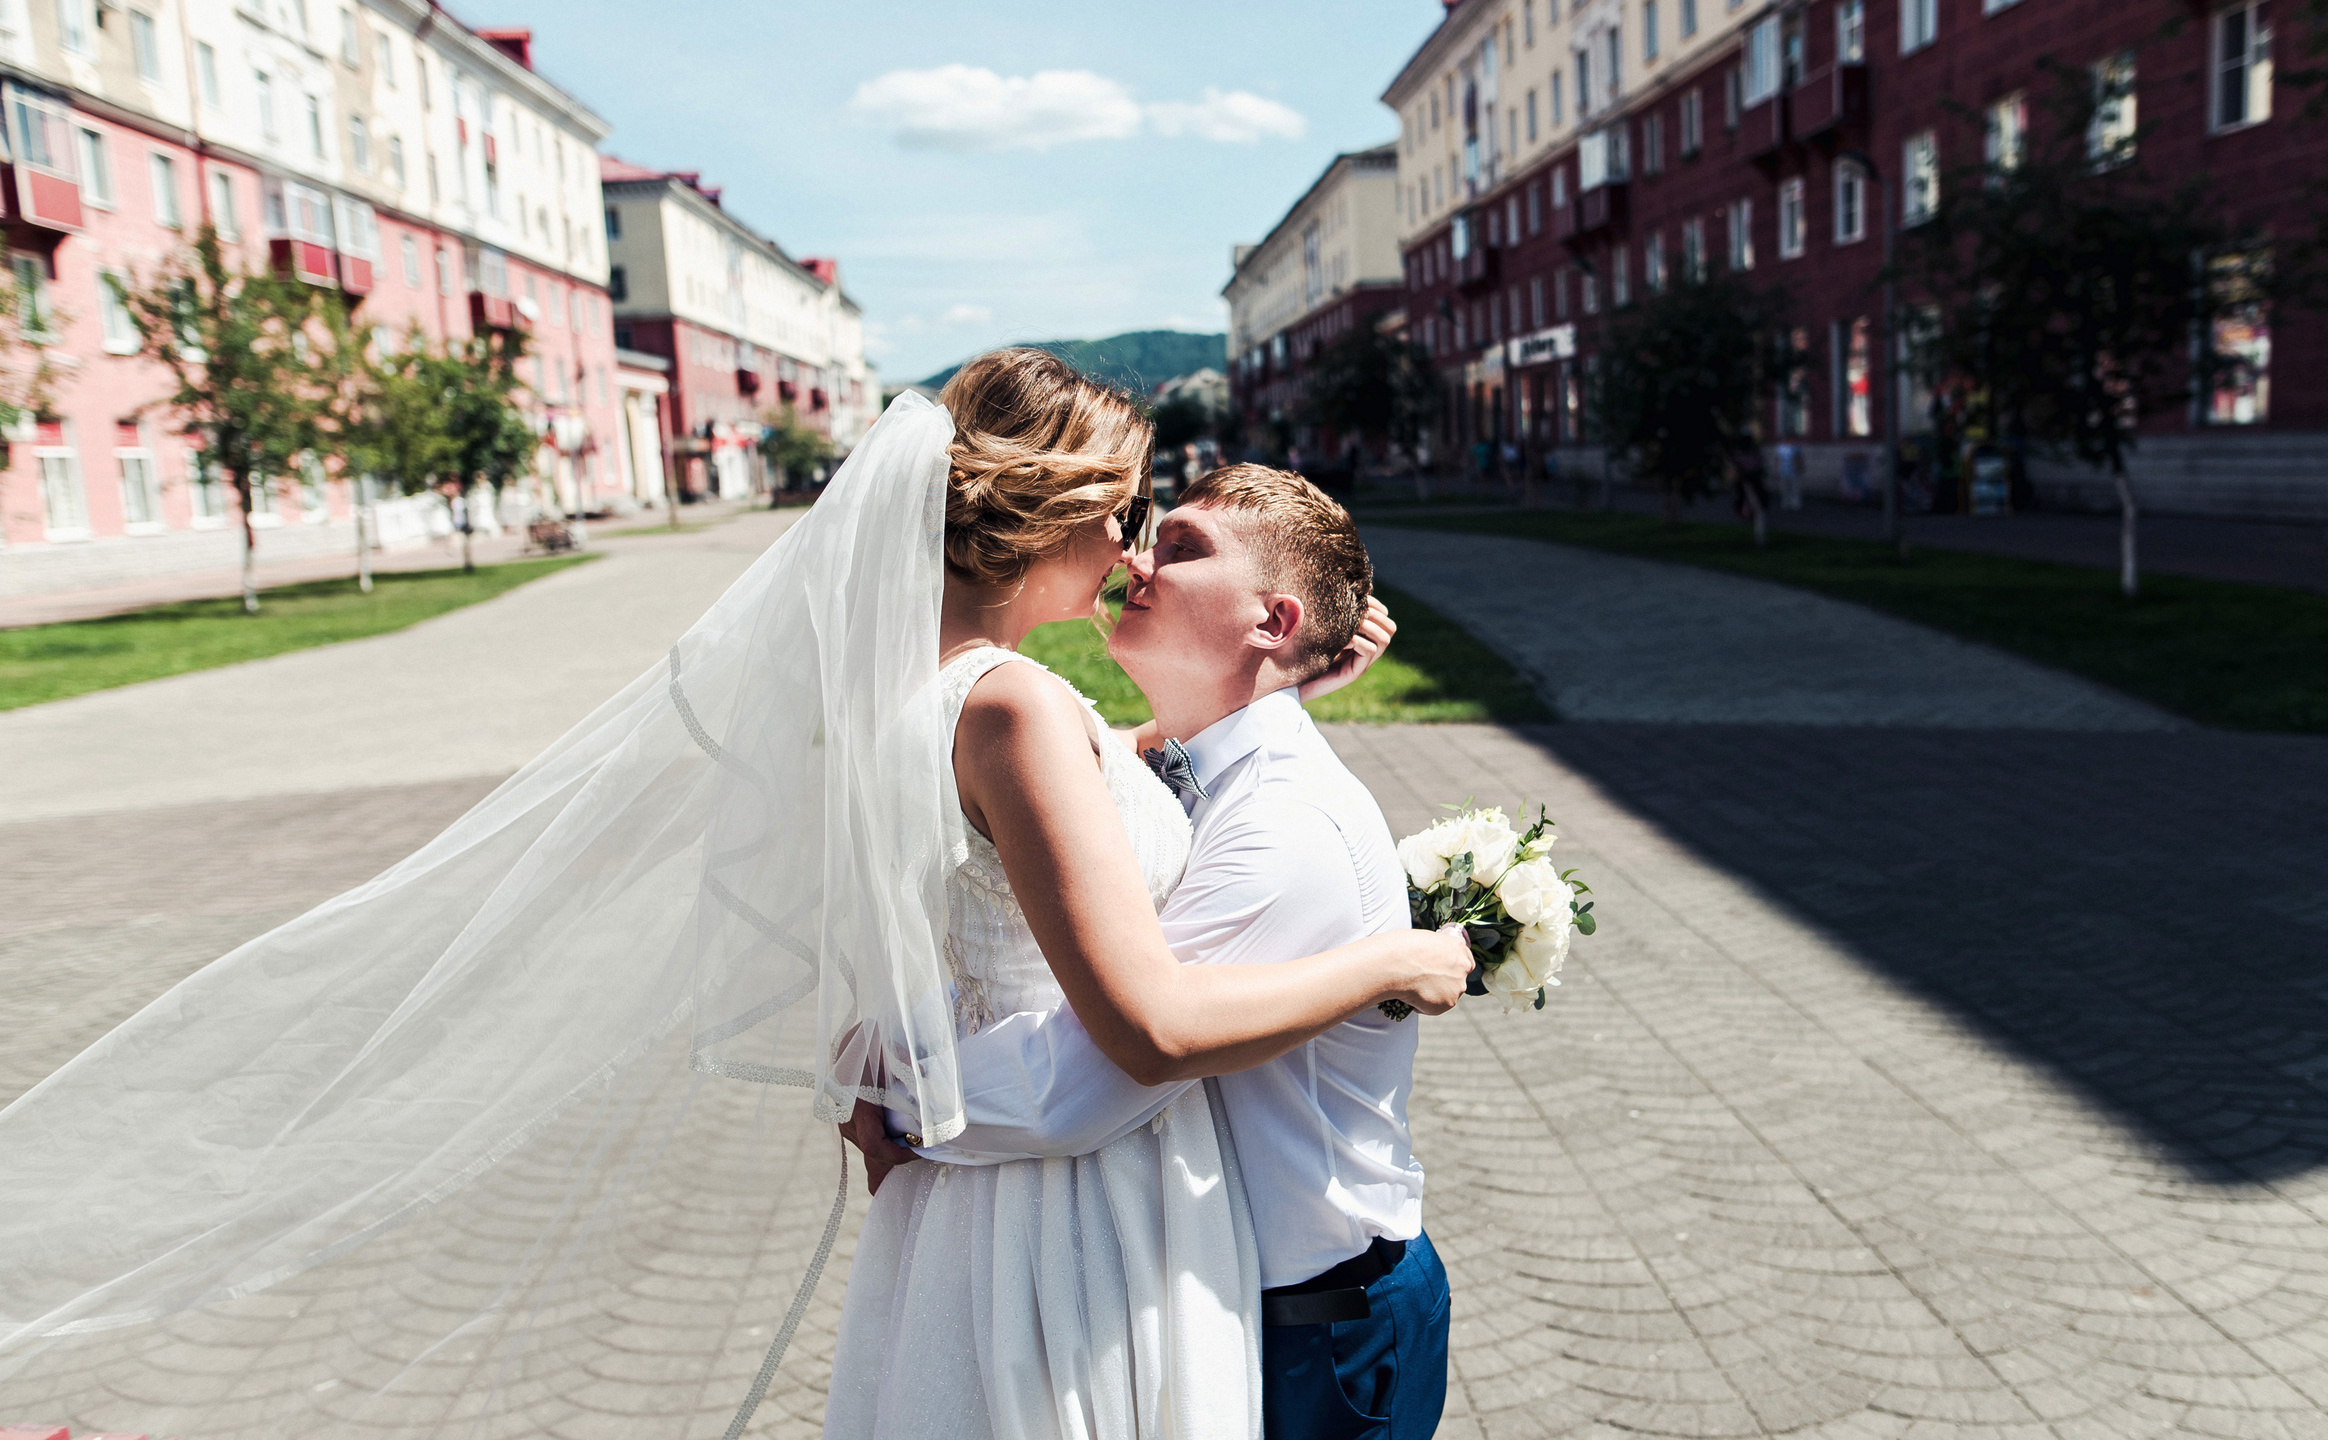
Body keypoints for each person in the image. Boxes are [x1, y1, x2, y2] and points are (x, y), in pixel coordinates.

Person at [0, 352, 1468, 1438]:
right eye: (1132, 510)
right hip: (1071, 1210)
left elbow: (1087, 797)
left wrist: (1286, 679)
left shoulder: (933, 697)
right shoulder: (1017, 707)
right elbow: (1143, 1026)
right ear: (1057, 509)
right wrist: (1393, 957)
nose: (1136, 547)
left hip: (982, 1203)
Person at [844, 463, 1452, 1440]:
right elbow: (1149, 769)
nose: (1136, 560)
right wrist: (1296, 681)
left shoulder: (1280, 828)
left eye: (1181, 548)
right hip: (1259, 1296)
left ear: (1271, 622)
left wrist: (898, 1091)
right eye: (1147, 537)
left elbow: (1092, 1080)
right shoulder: (1199, 767)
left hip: (1323, 1327)